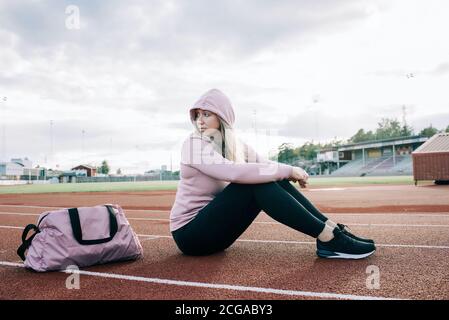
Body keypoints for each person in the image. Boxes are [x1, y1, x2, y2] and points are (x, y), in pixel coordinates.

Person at [170, 88, 375, 259]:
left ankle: (330, 229)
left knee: (271, 178)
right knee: (258, 182)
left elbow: (264, 164)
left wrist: (292, 173)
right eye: (197, 115)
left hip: (217, 232)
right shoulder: (193, 145)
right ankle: (327, 238)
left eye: (206, 114)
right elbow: (234, 172)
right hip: (191, 235)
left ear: (222, 117)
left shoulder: (234, 145)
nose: (200, 121)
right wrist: (287, 170)